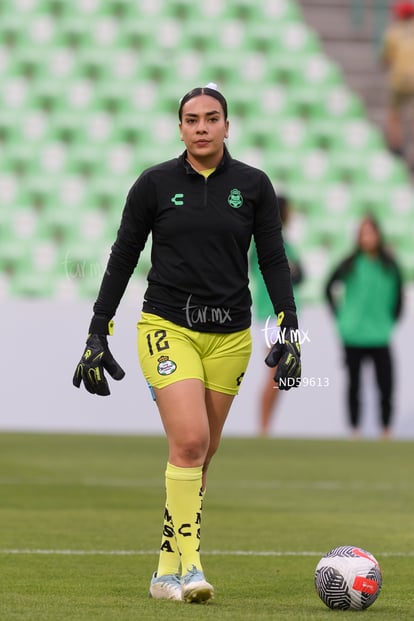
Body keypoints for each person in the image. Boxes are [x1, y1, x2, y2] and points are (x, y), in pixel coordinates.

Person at [72, 84, 301, 604]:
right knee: (192, 441)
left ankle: (162, 572)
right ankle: (191, 567)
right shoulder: (153, 184)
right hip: (166, 326)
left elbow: (273, 258)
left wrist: (289, 325)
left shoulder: (254, 185)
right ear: (180, 128)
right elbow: (123, 255)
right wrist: (97, 327)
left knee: (202, 453)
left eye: (211, 118)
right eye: (192, 119)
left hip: (230, 338)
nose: (201, 127)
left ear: (226, 125)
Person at [325, 215, 403, 440]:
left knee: (386, 386)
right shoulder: (349, 263)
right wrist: (340, 318)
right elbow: (328, 288)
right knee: (354, 385)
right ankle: (355, 430)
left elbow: (399, 298)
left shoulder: (390, 265)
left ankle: (386, 430)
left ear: (378, 235)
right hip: (353, 335)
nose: (367, 237)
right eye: (363, 233)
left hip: (380, 335)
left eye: (371, 232)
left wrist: (390, 321)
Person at [249, 194, 304, 437]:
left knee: (282, 373)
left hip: (282, 313)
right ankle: (263, 427)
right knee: (275, 372)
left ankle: (266, 427)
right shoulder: (262, 240)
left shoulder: (286, 242)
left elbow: (301, 275)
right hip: (271, 312)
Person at [380, 0, 414, 159]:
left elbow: (386, 59)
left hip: (400, 80)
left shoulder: (393, 32)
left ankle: (396, 147)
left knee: (394, 114)